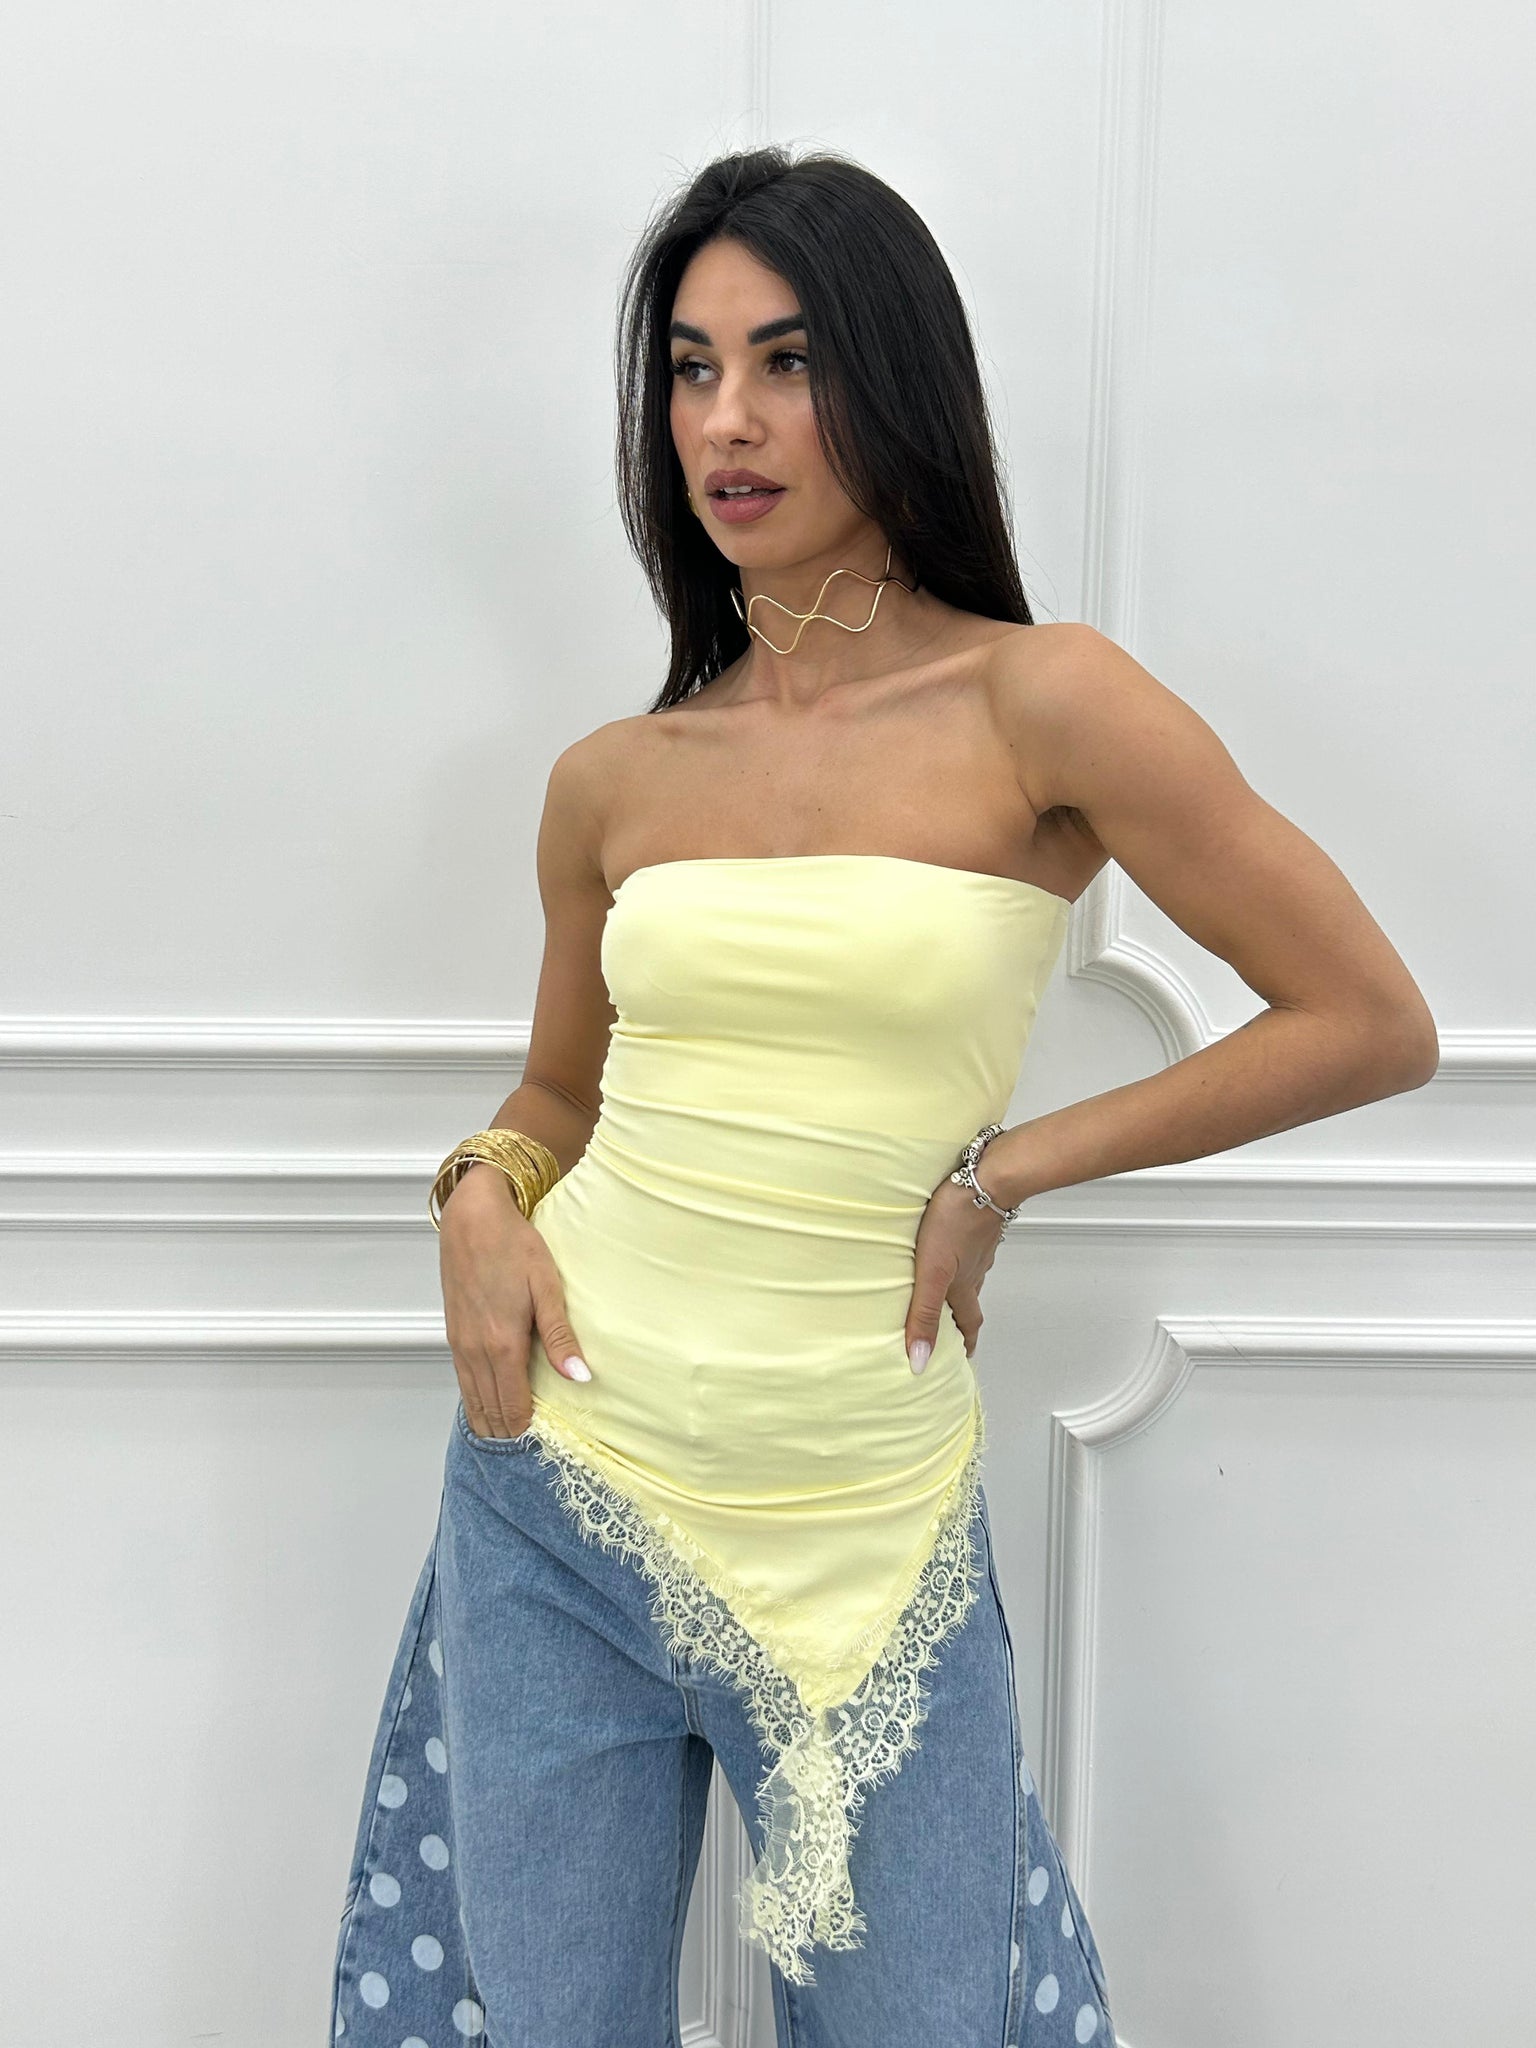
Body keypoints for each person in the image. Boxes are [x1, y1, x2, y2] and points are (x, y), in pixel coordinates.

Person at [327, 146, 1439, 2048]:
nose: (726, 422)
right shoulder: (614, 776)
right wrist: (478, 1191)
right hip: (558, 1494)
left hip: (861, 1517)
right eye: (690, 370)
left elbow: (1367, 1018)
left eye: (787, 361)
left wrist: (1007, 1174)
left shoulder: (1045, 703)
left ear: (896, 379)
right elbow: (558, 1090)